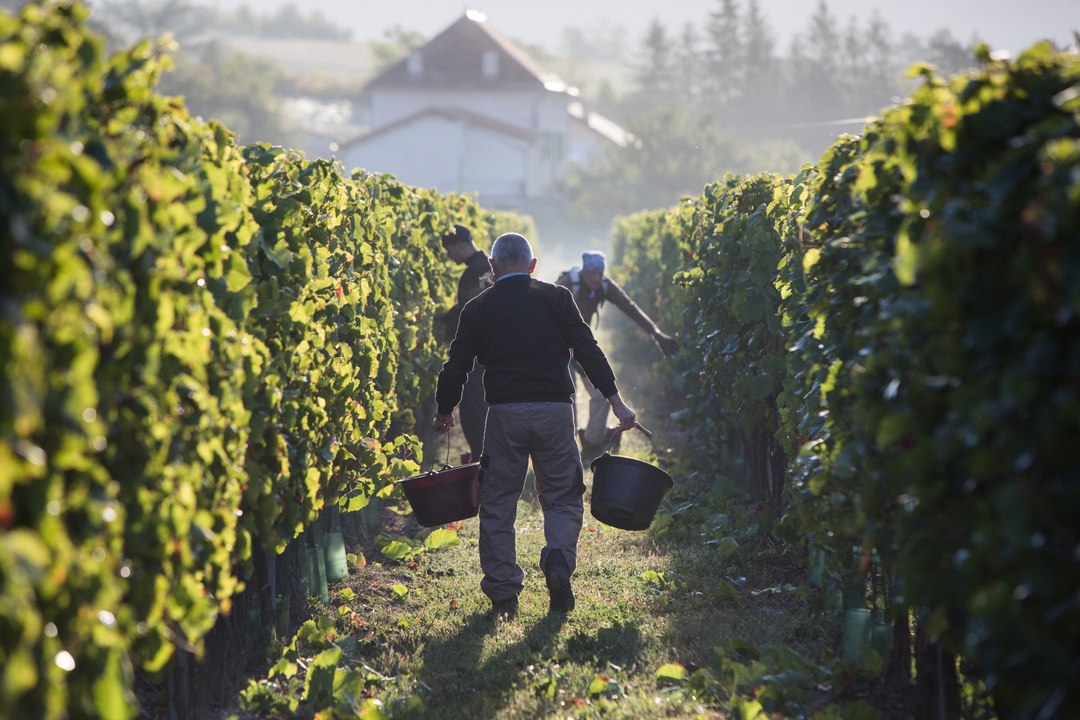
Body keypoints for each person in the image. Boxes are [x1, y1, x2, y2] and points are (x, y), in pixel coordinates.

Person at [432, 233, 638, 617]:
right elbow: (588, 350)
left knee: (497, 502)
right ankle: (558, 559)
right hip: (556, 413)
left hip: (505, 416)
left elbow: (456, 366)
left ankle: (504, 593)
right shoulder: (558, 298)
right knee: (562, 494)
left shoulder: (477, 308)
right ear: (532, 265)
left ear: (492, 267)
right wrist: (616, 402)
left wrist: (445, 411)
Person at [556, 251, 678, 458]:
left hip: (581, 348)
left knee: (602, 394)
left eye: (600, 273)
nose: (596, 277)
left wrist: (655, 333)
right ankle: (566, 449)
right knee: (568, 397)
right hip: (558, 346)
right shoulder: (567, 284)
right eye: (592, 273)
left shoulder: (604, 285)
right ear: (584, 271)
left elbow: (629, 307)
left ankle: (592, 443)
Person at [439, 224, 493, 462]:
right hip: (492, 349)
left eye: (449, 249)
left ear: (460, 245)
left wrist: (443, 323)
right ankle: (486, 454)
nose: (448, 256)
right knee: (485, 405)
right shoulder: (488, 267)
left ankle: (481, 459)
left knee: (473, 408)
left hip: (476, 353)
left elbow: (468, 314)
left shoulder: (473, 273)